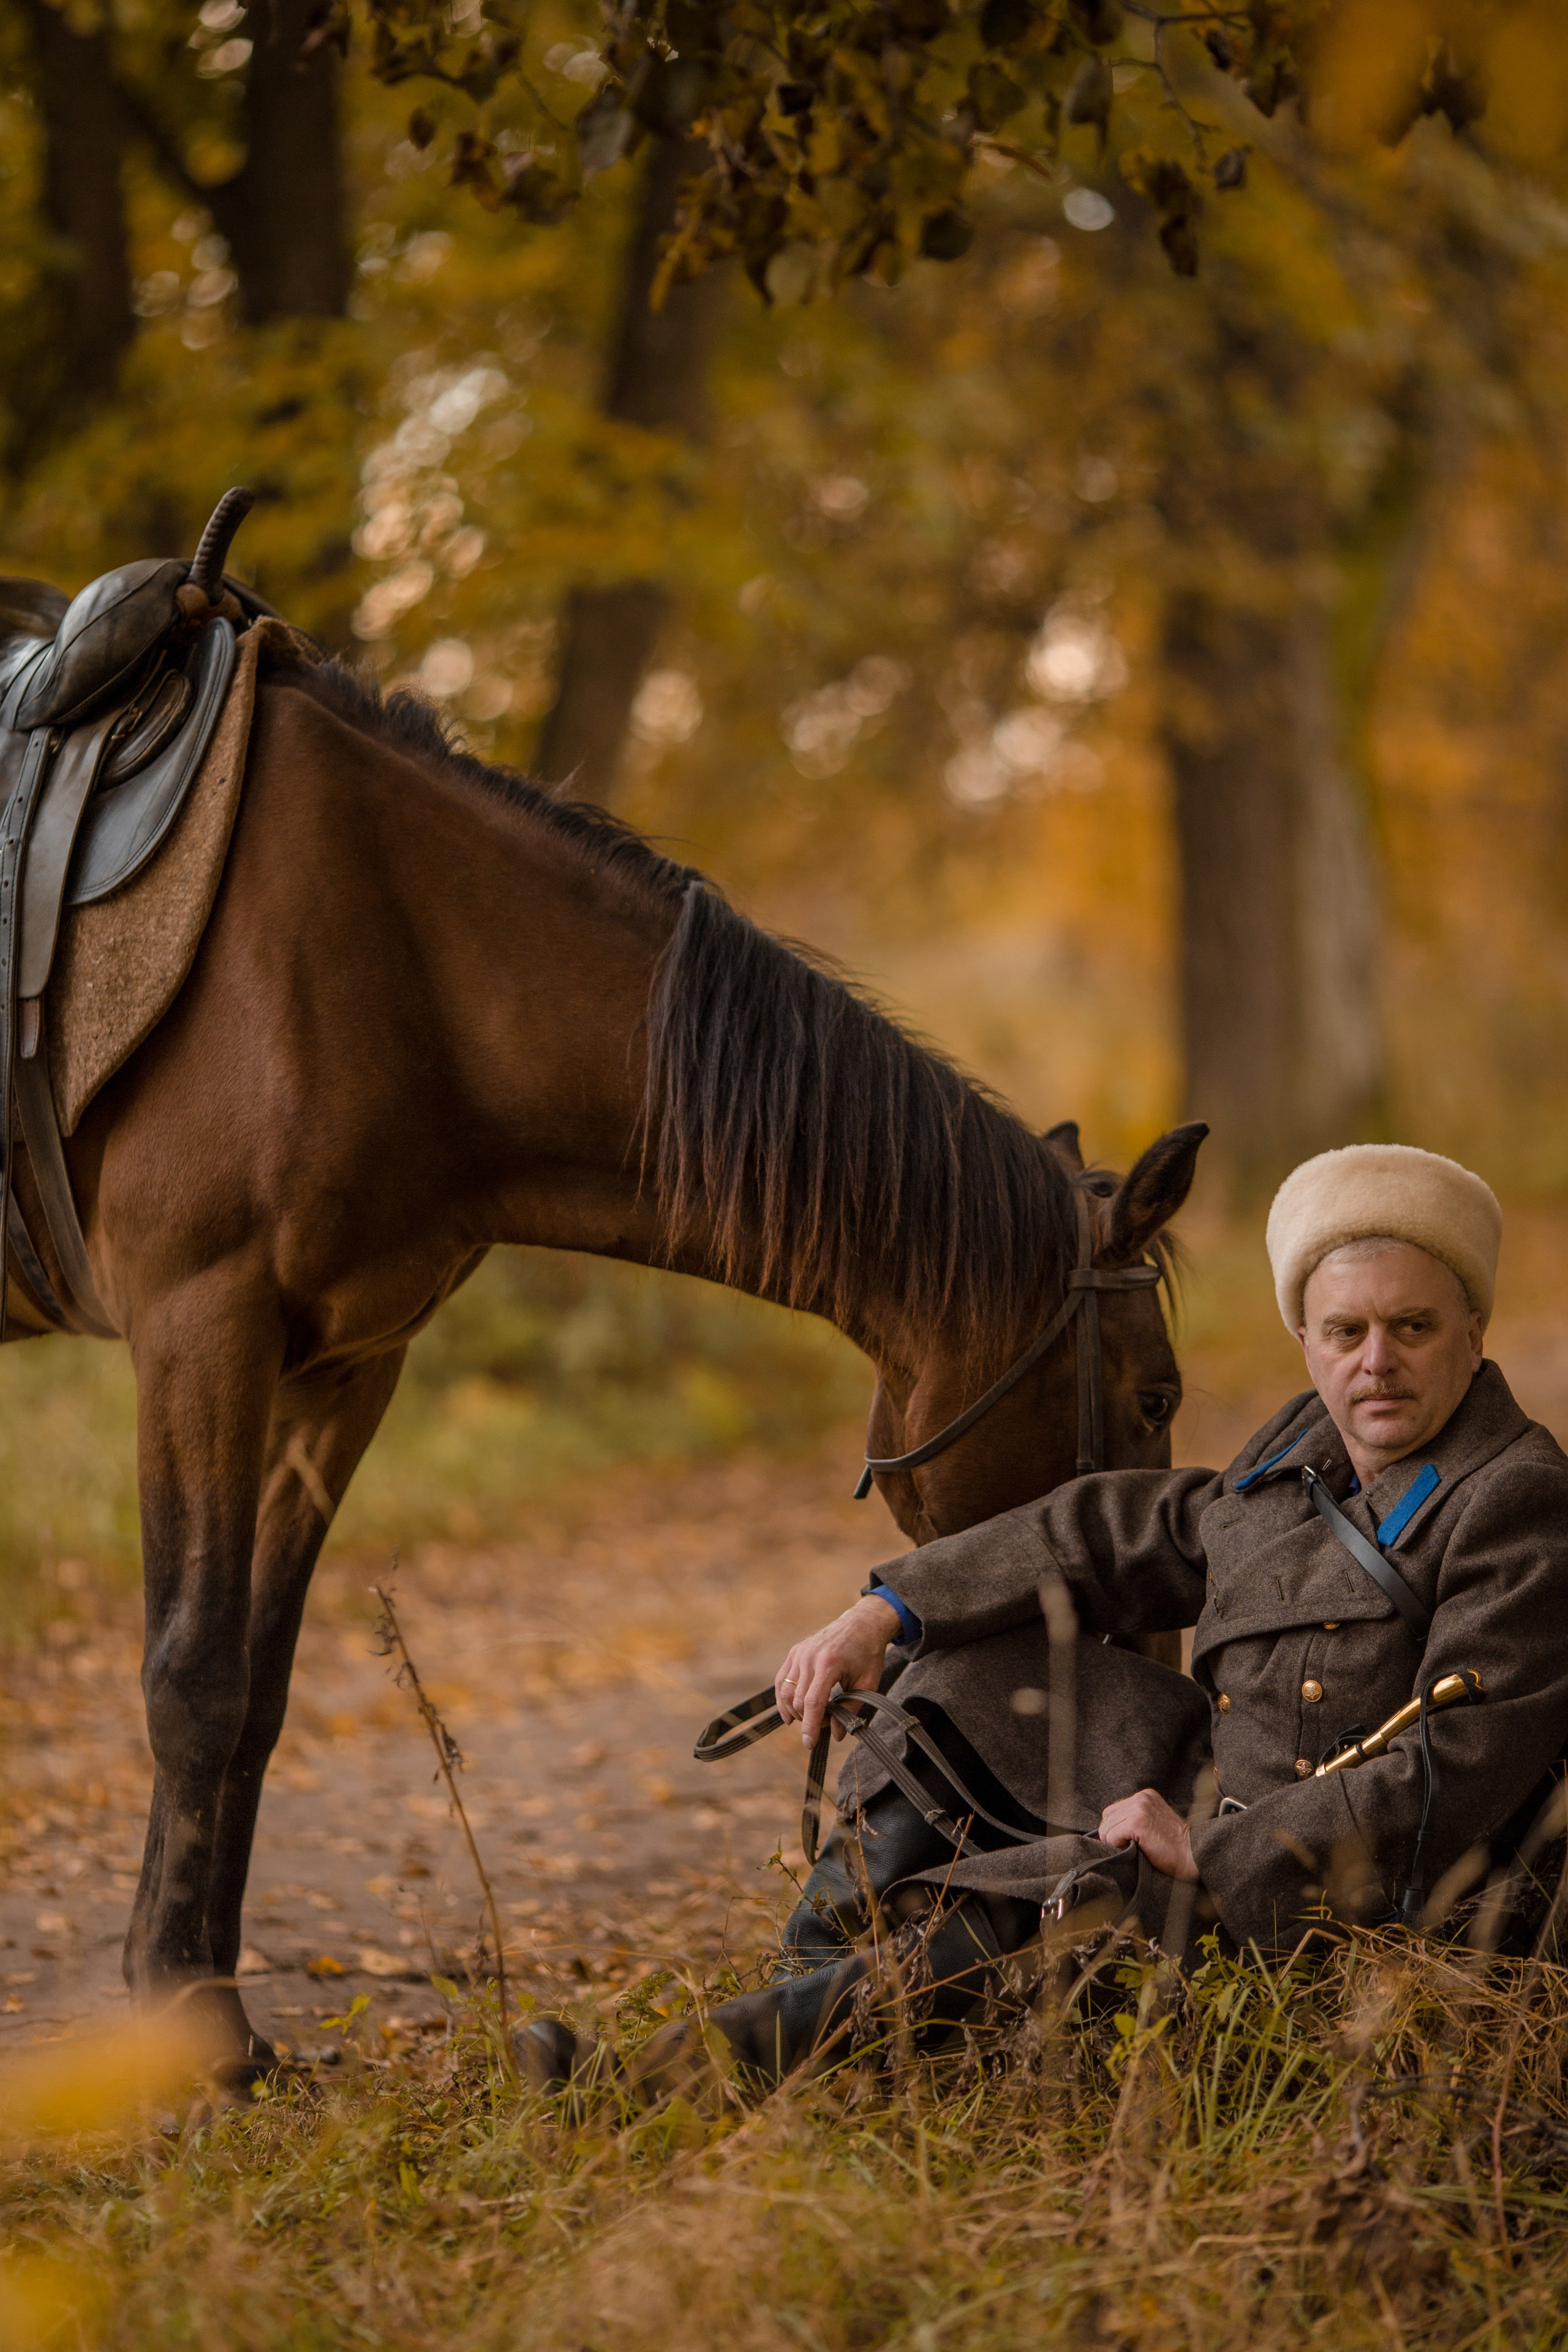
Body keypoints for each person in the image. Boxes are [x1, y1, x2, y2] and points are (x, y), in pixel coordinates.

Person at [519, 1144, 1568, 2103]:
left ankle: (655, 2081)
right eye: (1347, 1332)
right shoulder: (1312, 1445)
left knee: (1054, 1905)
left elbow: (1458, 1767)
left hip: (1318, 1880)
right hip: (1214, 1786)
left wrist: (1217, 1849)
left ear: (1473, 1332)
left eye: (1413, 1328)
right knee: (966, 1667)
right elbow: (1122, 1532)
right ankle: (813, 1974)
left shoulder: (1514, 1497)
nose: (1376, 1362)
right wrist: (886, 1608)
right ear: (1306, 1342)